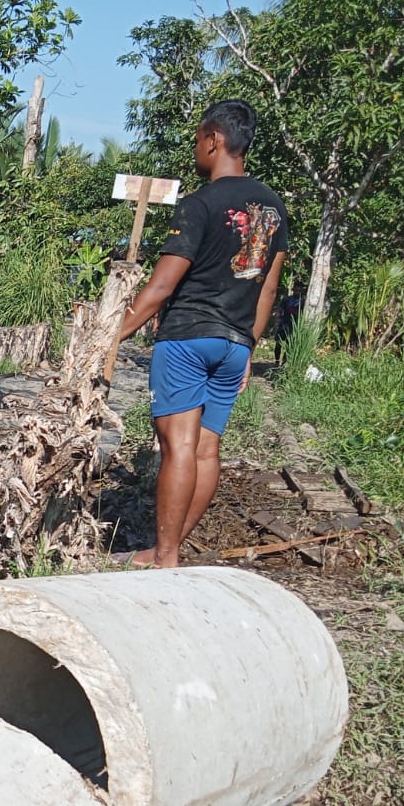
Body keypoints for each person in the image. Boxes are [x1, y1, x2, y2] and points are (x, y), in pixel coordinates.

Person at [116, 99, 288, 568]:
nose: (197, 148)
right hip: (235, 342)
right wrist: (248, 345)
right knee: (207, 449)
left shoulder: (199, 204)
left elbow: (162, 286)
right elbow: (268, 288)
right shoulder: (273, 207)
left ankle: (165, 555)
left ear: (213, 139)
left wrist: (112, 336)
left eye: (198, 139)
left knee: (179, 446)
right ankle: (167, 548)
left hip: (189, 337)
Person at [274, 284, 302, 366]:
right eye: (296, 290)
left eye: (299, 291)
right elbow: (279, 310)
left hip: (294, 325)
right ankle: (277, 361)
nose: (297, 292)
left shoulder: (303, 301)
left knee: (289, 344)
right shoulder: (287, 299)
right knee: (278, 344)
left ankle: (284, 362)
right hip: (283, 323)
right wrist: (277, 322)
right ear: (293, 290)